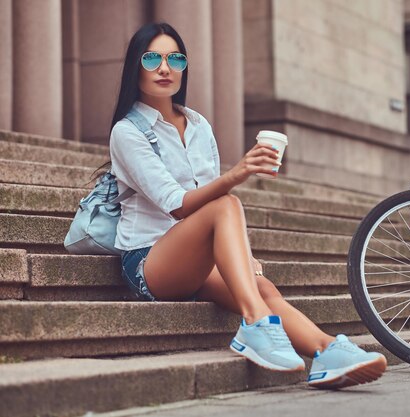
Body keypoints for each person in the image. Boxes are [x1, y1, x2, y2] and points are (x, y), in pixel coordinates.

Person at [108, 22, 386, 389]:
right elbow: (177, 205)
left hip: (195, 256)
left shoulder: (197, 125)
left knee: (263, 287)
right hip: (149, 261)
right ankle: (255, 325)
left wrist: (242, 255)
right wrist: (238, 173)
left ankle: (326, 352)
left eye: (175, 58)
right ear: (135, 67)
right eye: (152, 58)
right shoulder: (127, 132)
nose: (165, 67)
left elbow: (208, 197)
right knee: (226, 203)